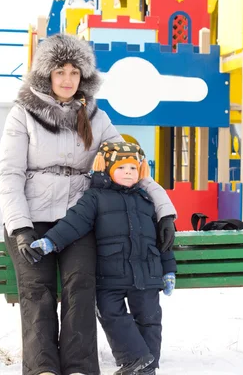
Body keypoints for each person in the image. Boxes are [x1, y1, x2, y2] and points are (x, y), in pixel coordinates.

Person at [0, 33, 177, 375]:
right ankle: (43, 368)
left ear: (83, 77)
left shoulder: (95, 116)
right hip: (31, 218)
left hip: (78, 219)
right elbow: (9, 174)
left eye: (74, 72)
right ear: (47, 74)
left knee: (81, 285)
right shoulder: (23, 114)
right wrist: (19, 227)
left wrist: (164, 211)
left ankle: (80, 367)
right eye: (60, 72)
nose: (67, 80)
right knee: (38, 290)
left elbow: (130, 166)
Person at [30, 141, 177, 375]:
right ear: (107, 168)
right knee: (110, 315)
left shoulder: (147, 200)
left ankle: (147, 366)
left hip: (147, 273)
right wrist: (51, 241)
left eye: (132, 168)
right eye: (121, 168)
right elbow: (74, 223)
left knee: (149, 319)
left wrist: (168, 270)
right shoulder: (95, 198)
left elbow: (163, 241)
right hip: (110, 276)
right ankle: (135, 358)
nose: (128, 173)